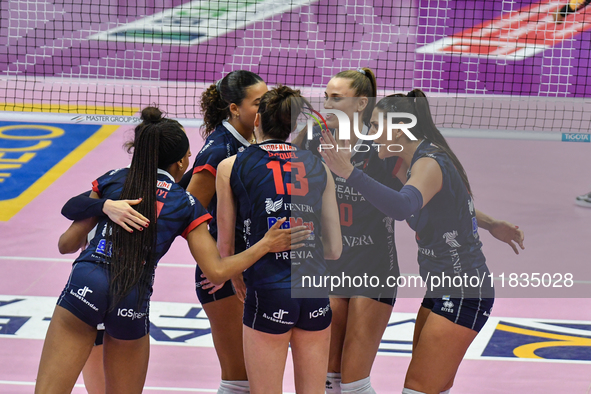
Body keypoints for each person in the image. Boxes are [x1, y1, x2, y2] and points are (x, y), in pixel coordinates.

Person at [35, 107, 309, 394]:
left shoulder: (112, 179)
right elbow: (216, 271)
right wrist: (265, 244)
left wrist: (102, 206)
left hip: (86, 284)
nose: (190, 160)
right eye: (189, 155)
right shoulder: (186, 203)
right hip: (131, 296)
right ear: (179, 162)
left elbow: (65, 245)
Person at [319, 90, 525, 394]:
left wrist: (347, 172)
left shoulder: (429, 163)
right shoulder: (412, 161)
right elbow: (451, 203)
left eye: (375, 126)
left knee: (417, 388)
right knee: (432, 388)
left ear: (398, 129)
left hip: (462, 289)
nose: (371, 135)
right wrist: (491, 223)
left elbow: (403, 207)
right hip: (442, 286)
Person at [216, 85, 342, 393]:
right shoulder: (320, 167)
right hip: (313, 290)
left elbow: (225, 248)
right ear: (292, 124)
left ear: (257, 119)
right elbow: (335, 250)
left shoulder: (231, 166)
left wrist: (237, 275)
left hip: (267, 288)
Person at [294, 68, 405, 394]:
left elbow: (419, 196)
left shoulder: (383, 144)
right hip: (330, 265)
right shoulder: (311, 139)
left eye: (336, 98)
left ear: (360, 104)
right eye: (326, 96)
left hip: (374, 267)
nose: (326, 103)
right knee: (329, 378)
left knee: (355, 381)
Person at [182, 70, 268, 393]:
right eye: (259, 103)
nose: (266, 108)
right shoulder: (219, 150)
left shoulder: (257, 137)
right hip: (224, 278)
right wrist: (215, 263)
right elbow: (188, 211)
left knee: (256, 375)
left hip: (249, 269)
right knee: (239, 379)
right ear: (234, 108)